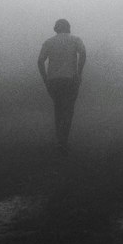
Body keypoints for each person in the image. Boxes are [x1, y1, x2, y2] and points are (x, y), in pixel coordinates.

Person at [37, 18, 86, 152]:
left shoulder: (49, 42)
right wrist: (79, 72)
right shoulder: (76, 40)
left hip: (54, 81)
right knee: (69, 109)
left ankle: (59, 140)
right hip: (71, 79)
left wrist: (45, 79)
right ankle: (64, 140)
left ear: (56, 28)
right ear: (68, 27)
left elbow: (40, 61)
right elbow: (83, 53)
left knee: (58, 108)